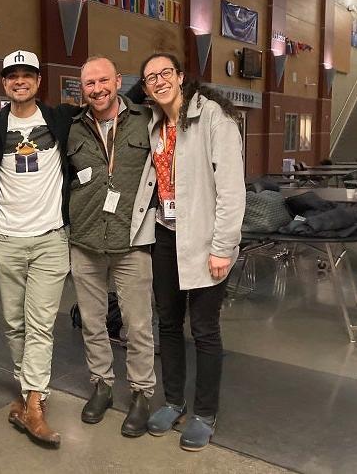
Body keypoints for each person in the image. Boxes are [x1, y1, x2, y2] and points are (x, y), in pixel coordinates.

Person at [140, 53, 245, 451]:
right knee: (167, 323)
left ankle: (204, 412)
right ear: (147, 87)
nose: (159, 80)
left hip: (205, 239)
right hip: (166, 236)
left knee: (204, 329)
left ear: (181, 77)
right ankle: (173, 400)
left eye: (166, 72)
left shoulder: (214, 118)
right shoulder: (155, 125)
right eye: (151, 77)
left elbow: (232, 191)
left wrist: (222, 247)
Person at [0, 50, 77, 447]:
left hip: (51, 238)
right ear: (4, 83)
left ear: (38, 81)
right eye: (12, 76)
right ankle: (29, 388)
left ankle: (34, 403)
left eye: (27, 75)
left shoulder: (60, 119)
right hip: (7, 239)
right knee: (13, 322)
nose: (20, 81)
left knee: (41, 324)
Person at [67, 56, 157, 437]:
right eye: (90, 83)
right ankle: (101, 385)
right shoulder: (71, 128)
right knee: (92, 321)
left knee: (138, 326)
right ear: (82, 88)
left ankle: (141, 393)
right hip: (85, 239)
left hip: (131, 239)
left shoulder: (147, 120)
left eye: (104, 80)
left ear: (118, 81)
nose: (98, 89)